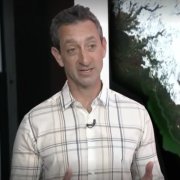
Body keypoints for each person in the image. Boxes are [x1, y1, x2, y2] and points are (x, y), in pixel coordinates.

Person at [10, 4, 164, 180]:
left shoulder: (137, 115)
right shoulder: (33, 123)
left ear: (103, 47)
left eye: (91, 46)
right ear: (58, 56)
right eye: (72, 50)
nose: (84, 59)